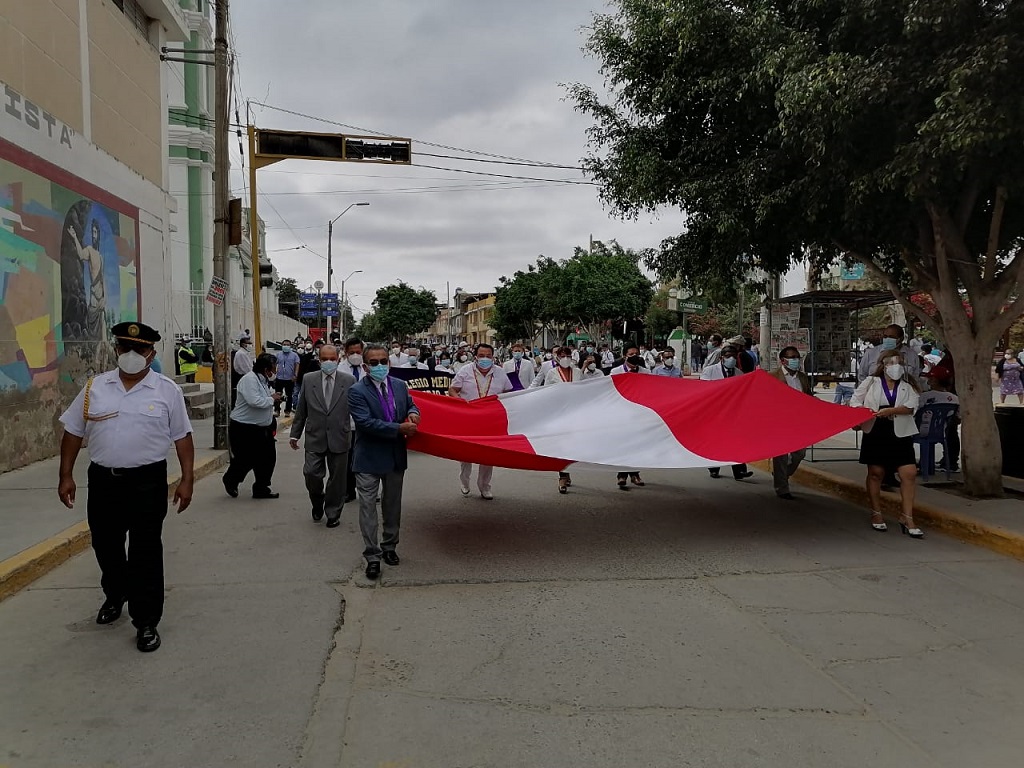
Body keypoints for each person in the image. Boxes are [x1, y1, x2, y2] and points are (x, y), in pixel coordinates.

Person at [57, 321, 194, 654]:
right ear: (116, 350)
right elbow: (74, 431)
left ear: (151, 353)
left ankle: (146, 621)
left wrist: (187, 479)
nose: (131, 355)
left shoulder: (167, 391)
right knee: (106, 545)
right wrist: (66, 475)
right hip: (104, 481)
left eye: (140, 349)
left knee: (146, 550)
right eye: (125, 348)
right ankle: (116, 593)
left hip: (147, 482)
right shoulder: (95, 387)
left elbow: (183, 437)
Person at [348, 344, 420, 580]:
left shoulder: (399, 385)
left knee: (392, 506)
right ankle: (372, 555)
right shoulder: (357, 391)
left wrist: (413, 413)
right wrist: (399, 428)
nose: (380, 366)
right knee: (368, 508)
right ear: (366, 367)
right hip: (368, 458)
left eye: (383, 361)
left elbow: (410, 404)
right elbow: (365, 423)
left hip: (395, 456)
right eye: (374, 363)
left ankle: (390, 547)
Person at [851, 351, 923, 538]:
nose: (895, 366)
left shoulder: (908, 387)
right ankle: (876, 513)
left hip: (900, 431)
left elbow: (911, 406)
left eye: (899, 362)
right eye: (891, 362)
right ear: (883, 365)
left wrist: (892, 410)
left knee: (909, 473)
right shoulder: (870, 383)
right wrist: (864, 415)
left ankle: (907, 516)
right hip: (876, 431)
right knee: (876, 473)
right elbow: (855, 401)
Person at [290, 345, 356, 528]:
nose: (328, 362)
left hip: (340, 436)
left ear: (338, 359)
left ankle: (333, 512)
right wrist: (295, 434)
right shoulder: (309, 379)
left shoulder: (349, 380)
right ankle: (317, 502)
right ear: (319, 360)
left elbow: (357, 409)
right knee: (311, 473)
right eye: (324, 358)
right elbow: (302, 409)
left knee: (337, 480)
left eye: (332, 359)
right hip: (314, 436)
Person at [448, 343, 513, 499]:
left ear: (493, 357)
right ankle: (464, 482)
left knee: (488, 455)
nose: (485, 359)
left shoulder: (500, 373)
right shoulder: (465, 371)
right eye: (482, 356)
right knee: (465, 454)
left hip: (490, 421)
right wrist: (461, 404)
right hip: (468, 419)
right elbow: (452, 390)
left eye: (488, 356)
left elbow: (509, 393)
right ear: (475, 356)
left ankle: (485, 486)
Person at [223, 352, 282, 500]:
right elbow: (254, 401)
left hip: (263, 428)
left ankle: (261, 488)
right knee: (245, 459)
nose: (275, 371)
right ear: (266, 369)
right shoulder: (249, 379)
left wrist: (274, 399)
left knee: (268, 458)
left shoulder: (262, 380)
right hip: (244, 428)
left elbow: (265, 399)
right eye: (274, 368)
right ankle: (231, 480)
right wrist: (271, 399)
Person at [700, 345, 754, 481]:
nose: (731, 359)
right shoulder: (709, 371)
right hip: (715, 412)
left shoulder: (739, 373)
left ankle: (740, 471)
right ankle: (713, 468)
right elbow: (704, 390)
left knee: (735, 441)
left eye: (734, 356)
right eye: (728, 356)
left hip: (732, 414)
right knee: (715, 441)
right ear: (721, 358)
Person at [539, 347, 584, 493]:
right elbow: (547, 393)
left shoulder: (577, 372)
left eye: (568, 355)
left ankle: (568, 470)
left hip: (575, 413)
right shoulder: (552, 373)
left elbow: (585, 390)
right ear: (557, 358)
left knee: (573, 445)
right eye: (562, 356)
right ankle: (562, 476)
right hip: (558, 414)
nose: (565, 358)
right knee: (561, 446)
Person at [771, 347, 814, 500]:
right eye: (792, 357)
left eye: (797, 357)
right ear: (783, 360)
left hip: (799, 422)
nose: (796, 360)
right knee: (781, 456)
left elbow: (808, 397)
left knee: (800, 453)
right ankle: (782, 487)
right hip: (780, 422)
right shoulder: (773, 377)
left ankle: (782, 474)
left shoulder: (802, 377)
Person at [610, 345, 651, 488]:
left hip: (639, 413)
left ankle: (635, 474)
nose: (635, 356)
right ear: (624, 356)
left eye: (637, 354)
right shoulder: (615, 371)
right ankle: (622, 475)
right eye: (631, 354)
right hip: (622, 413)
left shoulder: (645, 372)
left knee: (637, 445)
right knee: (623, 444)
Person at [274, 339, 301, 417]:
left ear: (290, 346)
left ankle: (287, 411)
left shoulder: (294, 355)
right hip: (279, 378)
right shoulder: (278, 354)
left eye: (287, 345)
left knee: (289, 395)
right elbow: (274, 363)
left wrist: (295, 375)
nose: (286, 346)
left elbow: (297, 365)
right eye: (284, 345)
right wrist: (274, 373)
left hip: (290, 379)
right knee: (278, 395)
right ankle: (277, 410)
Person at [231, 334, 253, 406]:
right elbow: (246, 369)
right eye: (249, 343)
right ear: (243, 344)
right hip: (241, 377)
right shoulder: (241, 354)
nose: (250, 345)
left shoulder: (245, 353)